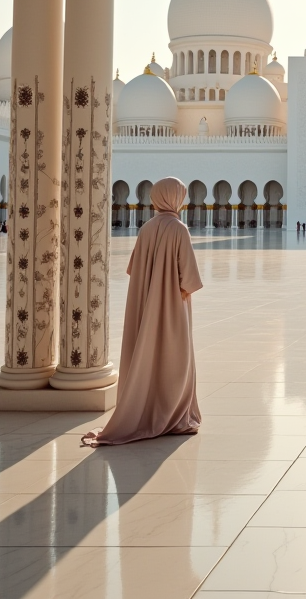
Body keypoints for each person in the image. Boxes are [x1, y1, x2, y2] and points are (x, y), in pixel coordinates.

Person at [82, 177, 203, 446]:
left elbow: (133, 269)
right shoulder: (179, 229)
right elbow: (190, 281)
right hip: (173, 307)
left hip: (146, 304)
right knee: (175, 358)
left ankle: (146, 409)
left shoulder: (146, 229)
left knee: (147, 352)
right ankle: (172, 415)